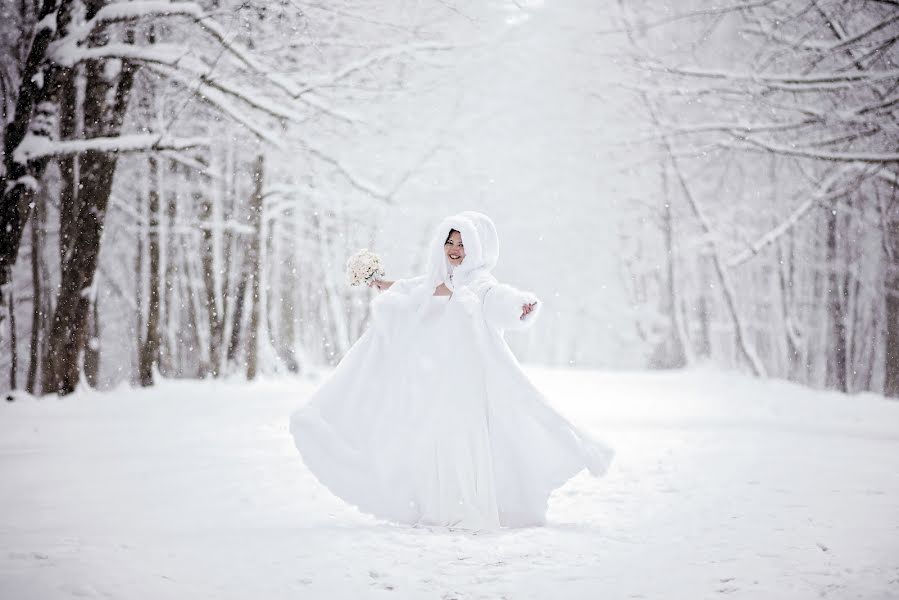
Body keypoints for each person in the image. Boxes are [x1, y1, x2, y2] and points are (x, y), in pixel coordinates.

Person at [290, 211, 613, 529]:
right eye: (450, 241)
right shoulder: (439, 280)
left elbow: (497, 298)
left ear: (478, 247)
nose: (454, 249)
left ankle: (467, 505)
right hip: (441, 381)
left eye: (462, 242)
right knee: (435, 438)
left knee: (464, 440)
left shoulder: (480, 282)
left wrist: (520, 305)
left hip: (468, 384)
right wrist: (376, 280)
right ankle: (440, 506)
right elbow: (410, 289)